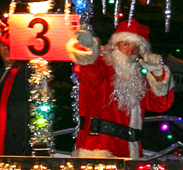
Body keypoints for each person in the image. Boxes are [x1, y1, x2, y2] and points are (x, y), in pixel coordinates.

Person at [68, 20, 173, 159]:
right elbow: (88, 72)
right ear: (116, 45)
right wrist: (88, 48)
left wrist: (158, 74)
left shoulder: (139, 78)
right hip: (99, 149)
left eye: (136, 48)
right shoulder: (102, 67)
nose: (130, 51)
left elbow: (160, 105)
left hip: (131, 152)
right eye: (126, 45)